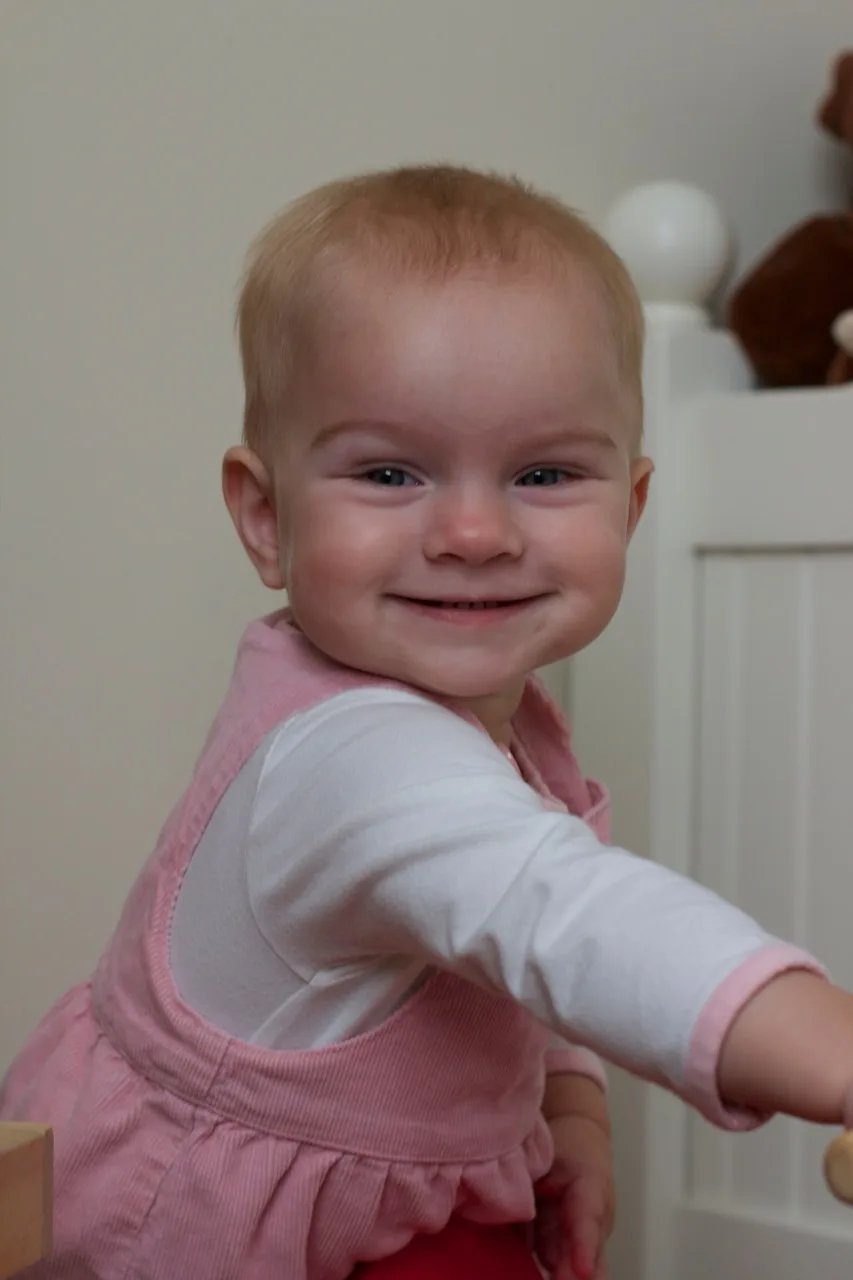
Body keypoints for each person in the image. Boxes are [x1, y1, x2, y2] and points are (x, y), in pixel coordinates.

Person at [2, 164, 852, 1280]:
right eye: (391, 471)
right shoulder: (356, 761)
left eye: (543, 472)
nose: (471, 529)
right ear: (266, 516)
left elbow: (499, 949)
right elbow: (574, 919)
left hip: (389, 1206)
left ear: (631, 508)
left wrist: (568, 1113)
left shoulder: (480, 728)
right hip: (212, 1238)